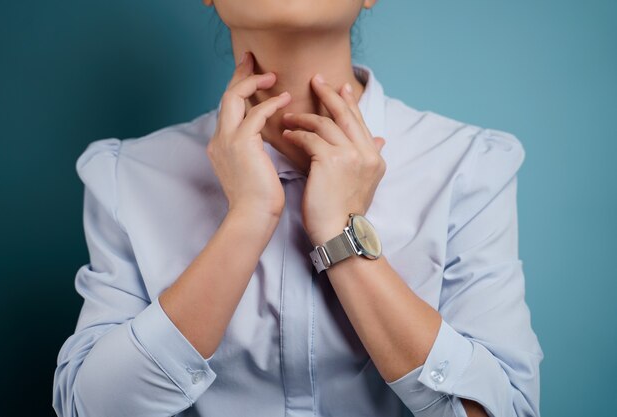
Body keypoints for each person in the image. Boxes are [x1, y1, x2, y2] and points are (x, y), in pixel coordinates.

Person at [52, 1, 543, 416]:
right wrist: (247, 219)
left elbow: (500, 408)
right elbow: (89, 406)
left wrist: (341, 234)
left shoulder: (467, 165)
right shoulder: (129, 174)